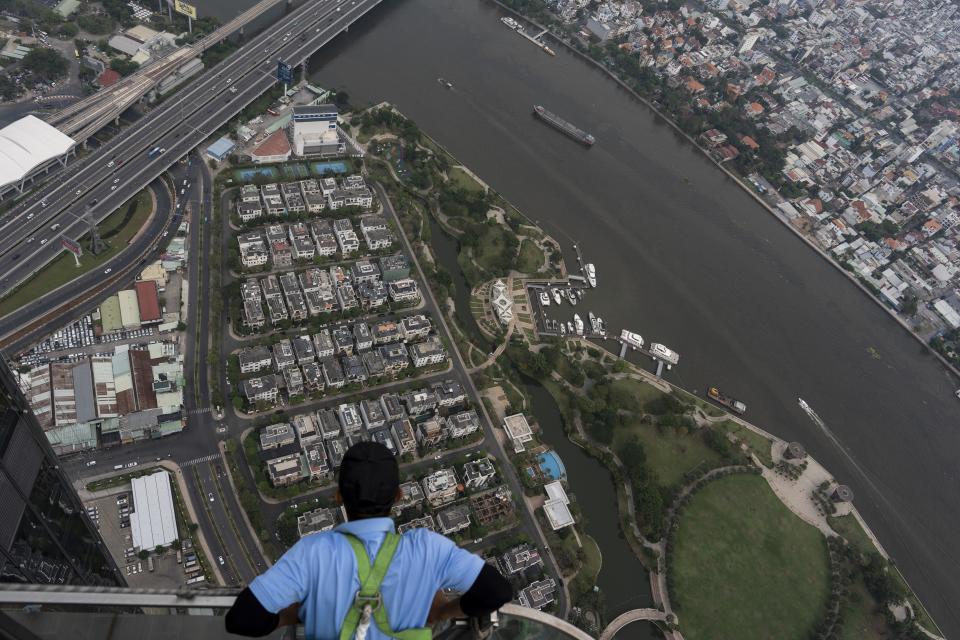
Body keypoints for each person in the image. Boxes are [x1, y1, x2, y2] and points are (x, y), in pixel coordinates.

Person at [225, 441, 514, 639]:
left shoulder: (312, 553)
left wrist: (293, 616)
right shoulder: (427, 549)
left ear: (338, 497)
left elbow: (242, 619)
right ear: (399, 497)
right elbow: (496, 591)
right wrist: (441, 612)